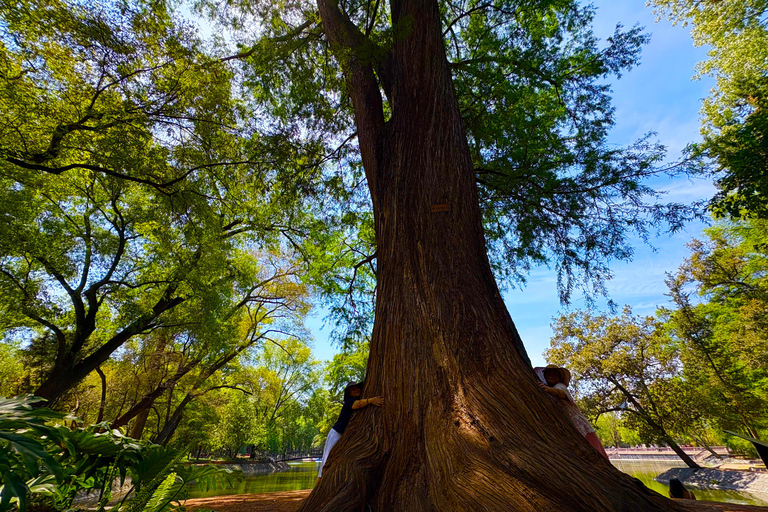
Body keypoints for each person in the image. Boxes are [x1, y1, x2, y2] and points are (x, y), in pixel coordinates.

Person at [535, 364, 609, 459]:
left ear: (560, 377)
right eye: (548, 373)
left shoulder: (560, 387)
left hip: (580, 426)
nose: (551, 375)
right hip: (568, 426)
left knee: (595, 451)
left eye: (554, 373)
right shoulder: (549, 390)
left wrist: (548, 389)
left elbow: (560, 393)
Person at [316, 382, 384, 482]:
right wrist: (371, 400)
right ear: (349, 393)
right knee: (326, 461)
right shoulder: (349, 401)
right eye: (353, 389)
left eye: (357, 388)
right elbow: (357, 404)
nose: (356, 390)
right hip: (335, 434)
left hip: (343, 435)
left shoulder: (355, 400)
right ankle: (319, 485)